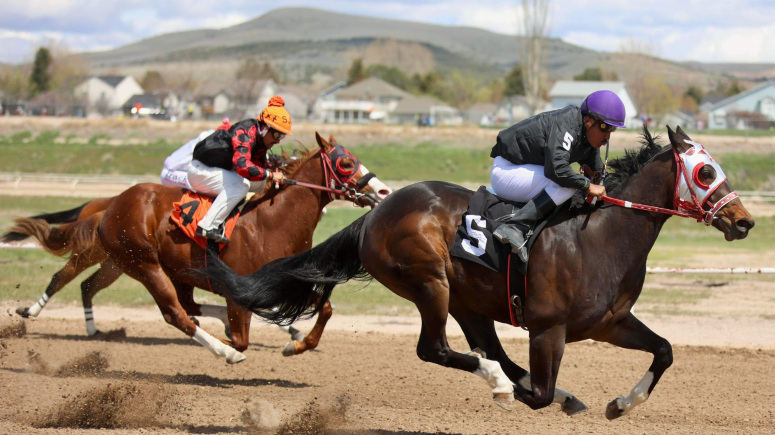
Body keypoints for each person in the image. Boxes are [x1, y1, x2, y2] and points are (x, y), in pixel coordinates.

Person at [489, 90, 626, 262]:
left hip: (526, 171)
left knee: (579, 184)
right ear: (587, 120)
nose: (608, 135)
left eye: (612, 129)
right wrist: (588, 186)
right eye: (605, 127)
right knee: (572, 184)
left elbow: (600, 177)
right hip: (507, 171)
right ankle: (516, 226)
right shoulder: (567, 124)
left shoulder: (588, 141)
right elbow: (556, 169)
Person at [187, 96, 291, 243]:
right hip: (200, 171)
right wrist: (270, 174)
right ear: (264, 127)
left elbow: (260, 170)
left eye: (282, 136)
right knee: (241, 185)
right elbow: (242, 166)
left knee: (261, 184)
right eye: (276, 134)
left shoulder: (260, 141)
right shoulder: (246, 132)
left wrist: (274, 175)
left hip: (217, 170)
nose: (278, 140)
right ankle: (207, 226)